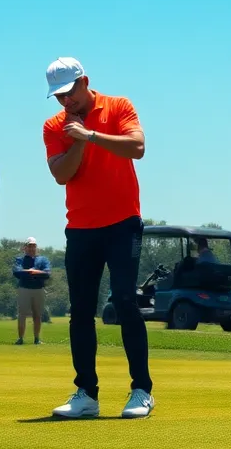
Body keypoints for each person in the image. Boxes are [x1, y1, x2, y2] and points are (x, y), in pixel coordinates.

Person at [43, 57, 154, 419]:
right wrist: (77, 140)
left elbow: (137, 147)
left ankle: (141, 390)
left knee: (125, 300)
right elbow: (61, 174)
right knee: (80, 310)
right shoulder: (54, 126)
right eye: (59, 96)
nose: (66, 101)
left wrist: (90, 134)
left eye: (69, 92)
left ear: (85, 81)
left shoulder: (119, 106)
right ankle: (86, 394)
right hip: (80, 227)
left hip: (123, 223)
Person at [14, 237, 51, 345]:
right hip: (24, 289)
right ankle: (20, 338)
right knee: (22, 314)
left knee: (37, 315)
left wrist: (32, 272)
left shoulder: (43, 260)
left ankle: (37, 339)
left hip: (39, 289)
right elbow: (17, 272)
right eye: (29, 246)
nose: (31, 248)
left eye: (33, 246)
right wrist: (34, 272)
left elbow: (47, 273)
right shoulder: (20, 259)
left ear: (36, 247)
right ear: (25, 248)